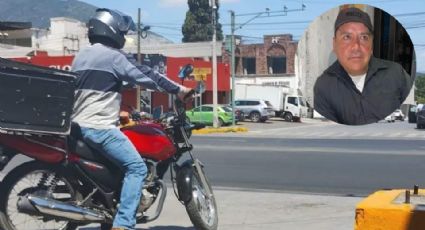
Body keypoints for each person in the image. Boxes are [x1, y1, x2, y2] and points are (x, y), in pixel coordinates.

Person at [71, 8, 191, 230]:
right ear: (112, 30)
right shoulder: (113, 57)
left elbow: (93, 92)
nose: (123, 37)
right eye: (121, 31)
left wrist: (119, 112)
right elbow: (147, 75)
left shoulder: (81, 55)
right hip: (99, 129)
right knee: (137, 168)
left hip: (78, 126)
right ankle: (124, 223)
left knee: (116, 169)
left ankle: (107, 212)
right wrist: (179, 90)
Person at [313, 7, 412, 125]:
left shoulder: (396, 74)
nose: (356, 47)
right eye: (347, 37)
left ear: (371, 44)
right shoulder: (324, 86)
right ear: (334, 44)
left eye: (364, 37)